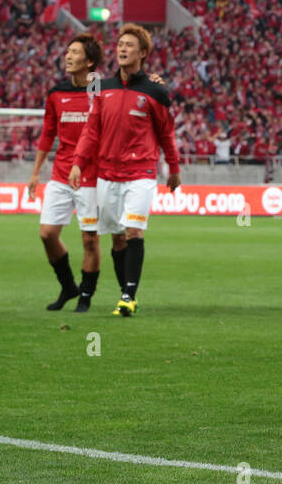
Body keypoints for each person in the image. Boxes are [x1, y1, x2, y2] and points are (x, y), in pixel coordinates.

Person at [70, 24, 180, 317]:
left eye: (129, 45)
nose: (122, 49)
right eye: (120, 44)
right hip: (106, 175)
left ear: (143, 53)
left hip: (141, 173)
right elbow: (92, 129)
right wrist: (79, 162)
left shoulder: (156, 91)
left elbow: (166, 134)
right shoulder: (101, 86)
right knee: (117, 237)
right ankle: (125, 292)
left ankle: (129, 295)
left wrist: (174, 168)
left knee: (133, 231)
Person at [30, 34, 103, 313]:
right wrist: (35, 173)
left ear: (90, 61)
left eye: (75, 52)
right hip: (61, 173)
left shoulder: (100, 92)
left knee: (89, 238)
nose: (68, 57)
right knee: (47, 233)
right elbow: (48, 134)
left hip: (92, 176)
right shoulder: (56, 93)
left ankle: (85, 295)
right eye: (67, 52)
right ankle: (68, 286)